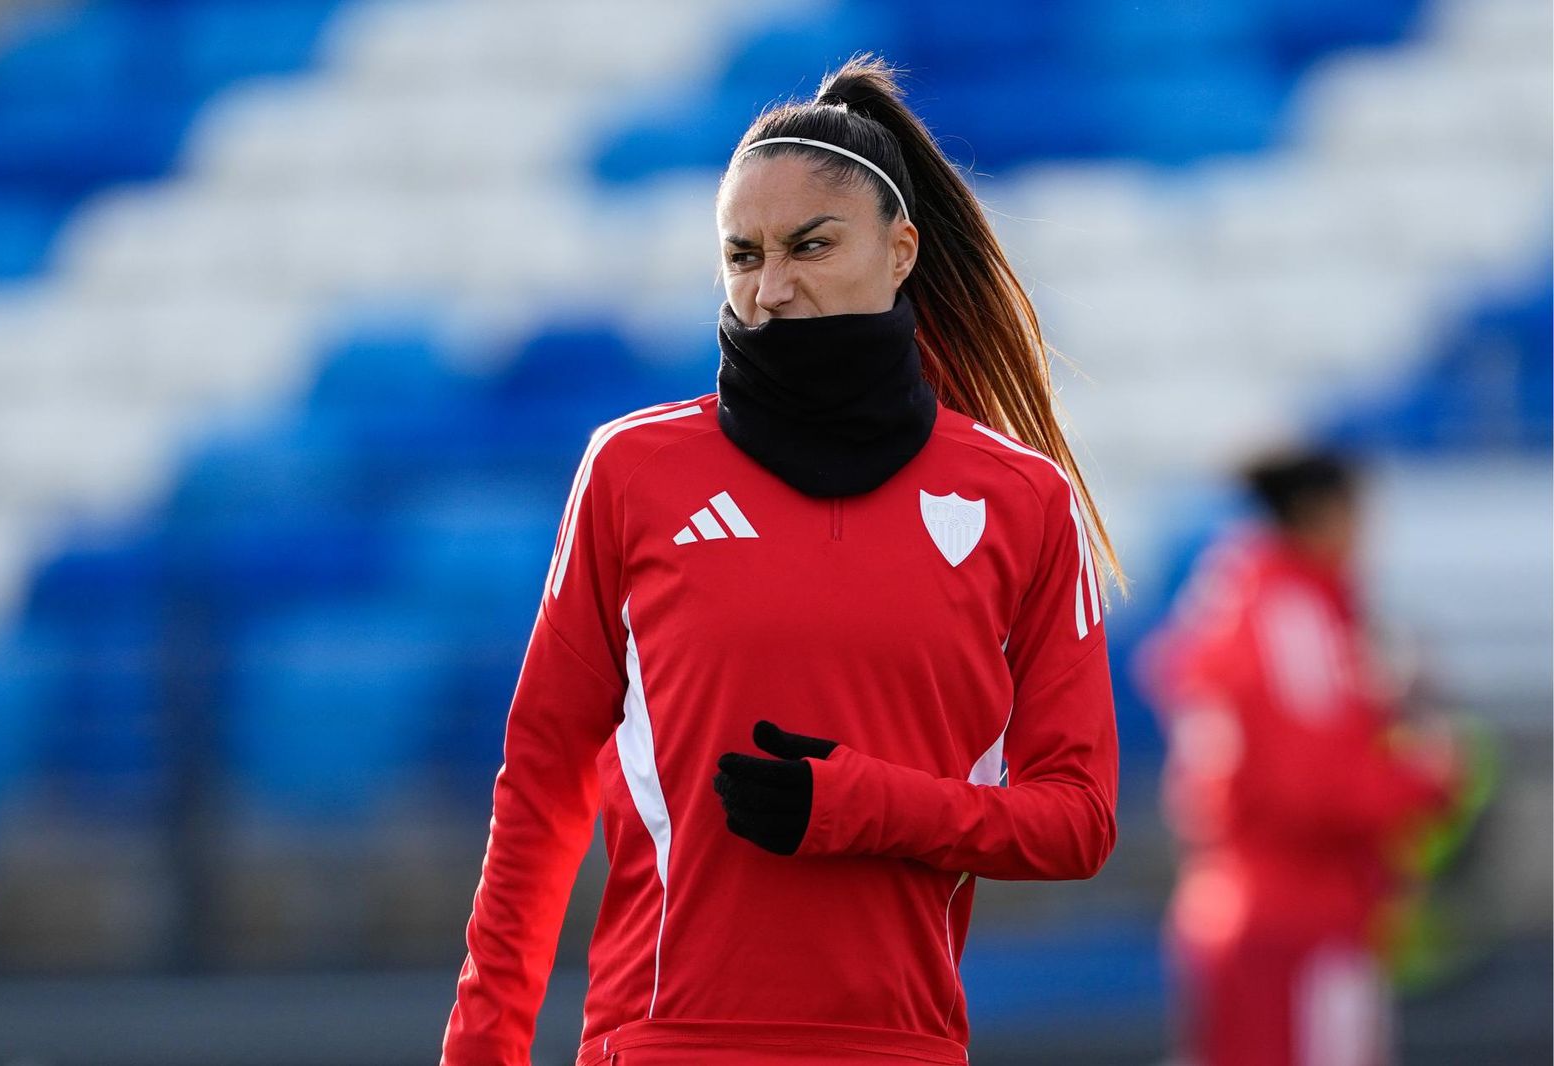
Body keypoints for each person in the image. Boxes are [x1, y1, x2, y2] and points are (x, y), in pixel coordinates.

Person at [441, 54, 1123, 1066]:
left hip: (899, 1047)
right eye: (742, 254)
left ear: (900, 253)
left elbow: (1079, 820)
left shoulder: (1019, 500)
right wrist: (480, 1048)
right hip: (661, 1042)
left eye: (809, 246)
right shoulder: (630, 471)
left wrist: (863, 803)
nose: (770, 287)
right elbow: (540, 786)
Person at [1137, 449, 1461, 1066]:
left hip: (1245, 905)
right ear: (1322, 513)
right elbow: (1313, 786)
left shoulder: (1240, 601)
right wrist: (1426, 778)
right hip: (1300, 920)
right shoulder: (1292, 617)